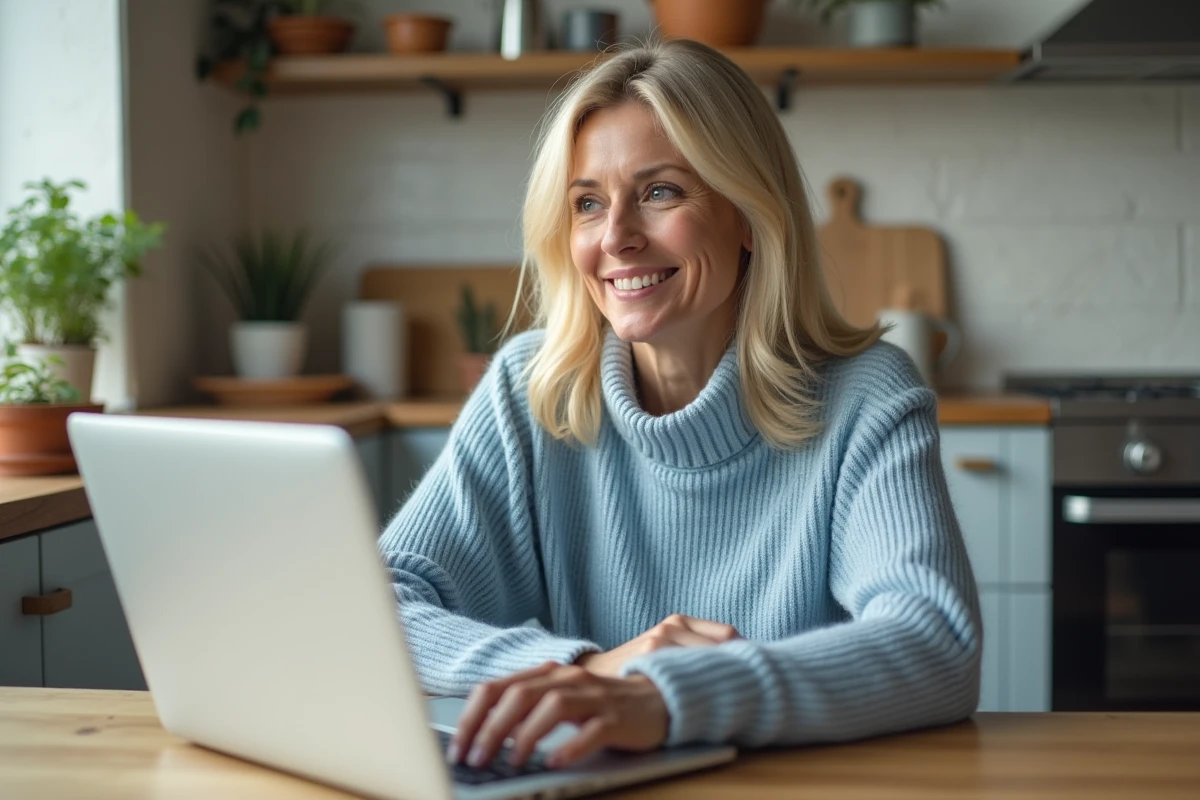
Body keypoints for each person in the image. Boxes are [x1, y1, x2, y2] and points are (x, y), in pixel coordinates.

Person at [378, 38, 981, 772]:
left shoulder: (867, 394)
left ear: (750, 214)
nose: (616, 238)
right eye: (587, 204)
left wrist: (669, 697)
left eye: (660, 192)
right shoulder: (531, 388)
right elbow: (373, 606)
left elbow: (934, 641)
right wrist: (586, 671)